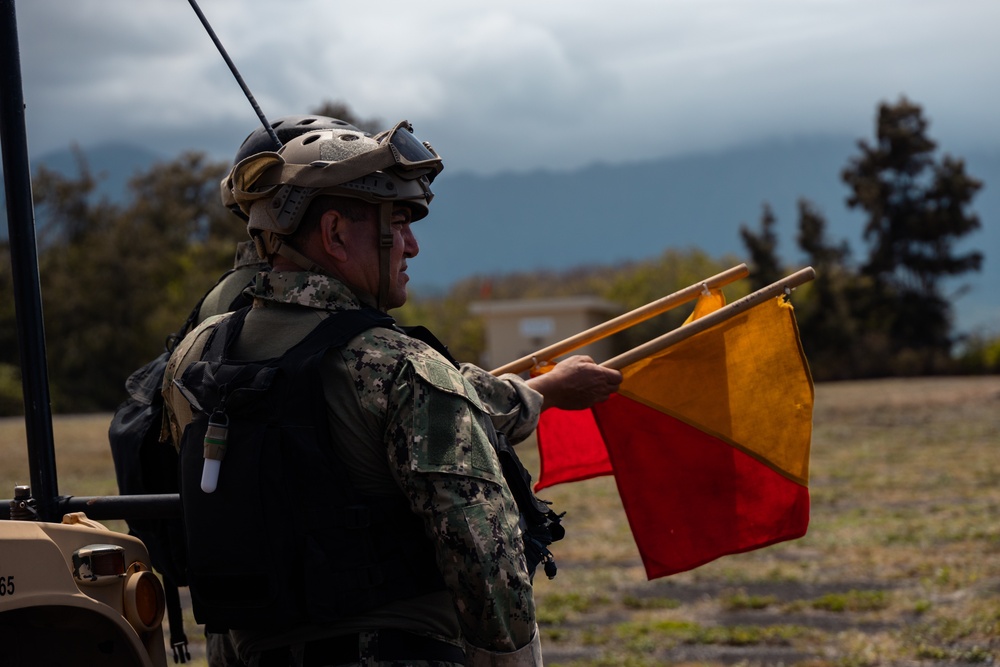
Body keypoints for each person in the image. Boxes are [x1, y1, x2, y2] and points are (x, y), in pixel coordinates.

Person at [162, 120, 621, 667]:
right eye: (398, 223)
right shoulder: (403, 365)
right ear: (333, 234)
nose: (413, 245)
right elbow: (488, 567)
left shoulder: (194, 357)